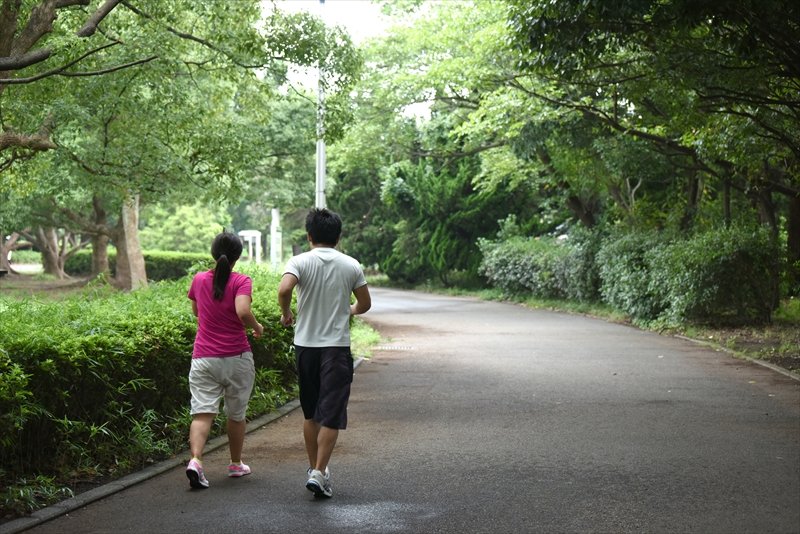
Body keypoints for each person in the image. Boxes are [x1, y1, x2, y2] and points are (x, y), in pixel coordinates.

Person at [278, 208, 371, 498]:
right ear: (338, 237)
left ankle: (315, 470)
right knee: (331, 413)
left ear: (309, 236)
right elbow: (365, 304)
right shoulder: (351, 265)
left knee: (310, 413)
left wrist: (286, 312)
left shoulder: (299, 261)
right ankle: (319, 472)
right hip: (335, 348)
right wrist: (350, 310)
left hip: (306, 347)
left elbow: (283, 290)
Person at [185, 231, 264, 489]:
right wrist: (257, 326)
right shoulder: (241, 281)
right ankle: (235, 463)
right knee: (236, 414)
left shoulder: (198, 279)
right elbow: (242, 310)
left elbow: (196, 311)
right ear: (237, 256)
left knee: (202, 413)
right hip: (236, 357)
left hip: (204, 358)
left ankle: (196, 461)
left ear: (212, 252)